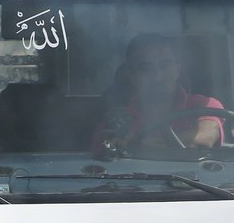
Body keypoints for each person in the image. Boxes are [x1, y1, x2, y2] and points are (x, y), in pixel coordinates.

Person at [92, 33, 225, 155]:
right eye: (146, 68)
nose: (158, 77)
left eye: (165, 65)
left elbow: (205, 137)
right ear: (132, 75)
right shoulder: (113, 125)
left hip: (195, 182)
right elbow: (96, 172)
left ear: (177, 69)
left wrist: (139, 145)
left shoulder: (204, 106)